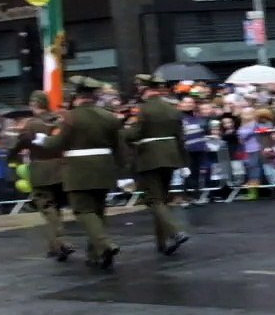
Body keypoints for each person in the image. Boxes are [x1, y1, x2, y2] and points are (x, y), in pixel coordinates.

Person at [34, 76, 127, 270]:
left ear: (76, 96)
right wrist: (123, 173)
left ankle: (105, 244)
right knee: (98, 210)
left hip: (78, 170)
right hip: (104, 168)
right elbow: (119, 146)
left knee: (83, 210)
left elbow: (58, 143)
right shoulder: (109, 116)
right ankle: (96, 254)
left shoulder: (70, 117)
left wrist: (43, 140)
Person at [125, 75, 190, 255]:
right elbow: (180, 136)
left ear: (143, 89)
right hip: (170, 157)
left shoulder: (144, 109)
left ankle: (175, 232)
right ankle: (162, 242)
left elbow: (136, 133)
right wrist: (184, 162)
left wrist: (122, 132)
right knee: (161, 199)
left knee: (154, 199)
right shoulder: (171, 108)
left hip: (150, 157)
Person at [11, 91, 74, 261]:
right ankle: (54, 245)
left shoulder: (31, 124)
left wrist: (11, 156)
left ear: (35, 104)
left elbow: (21, 143)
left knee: (46, 206)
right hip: (61, 168)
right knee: (56, 207)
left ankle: (60, 243)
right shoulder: (60, 121)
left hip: (41, 170)